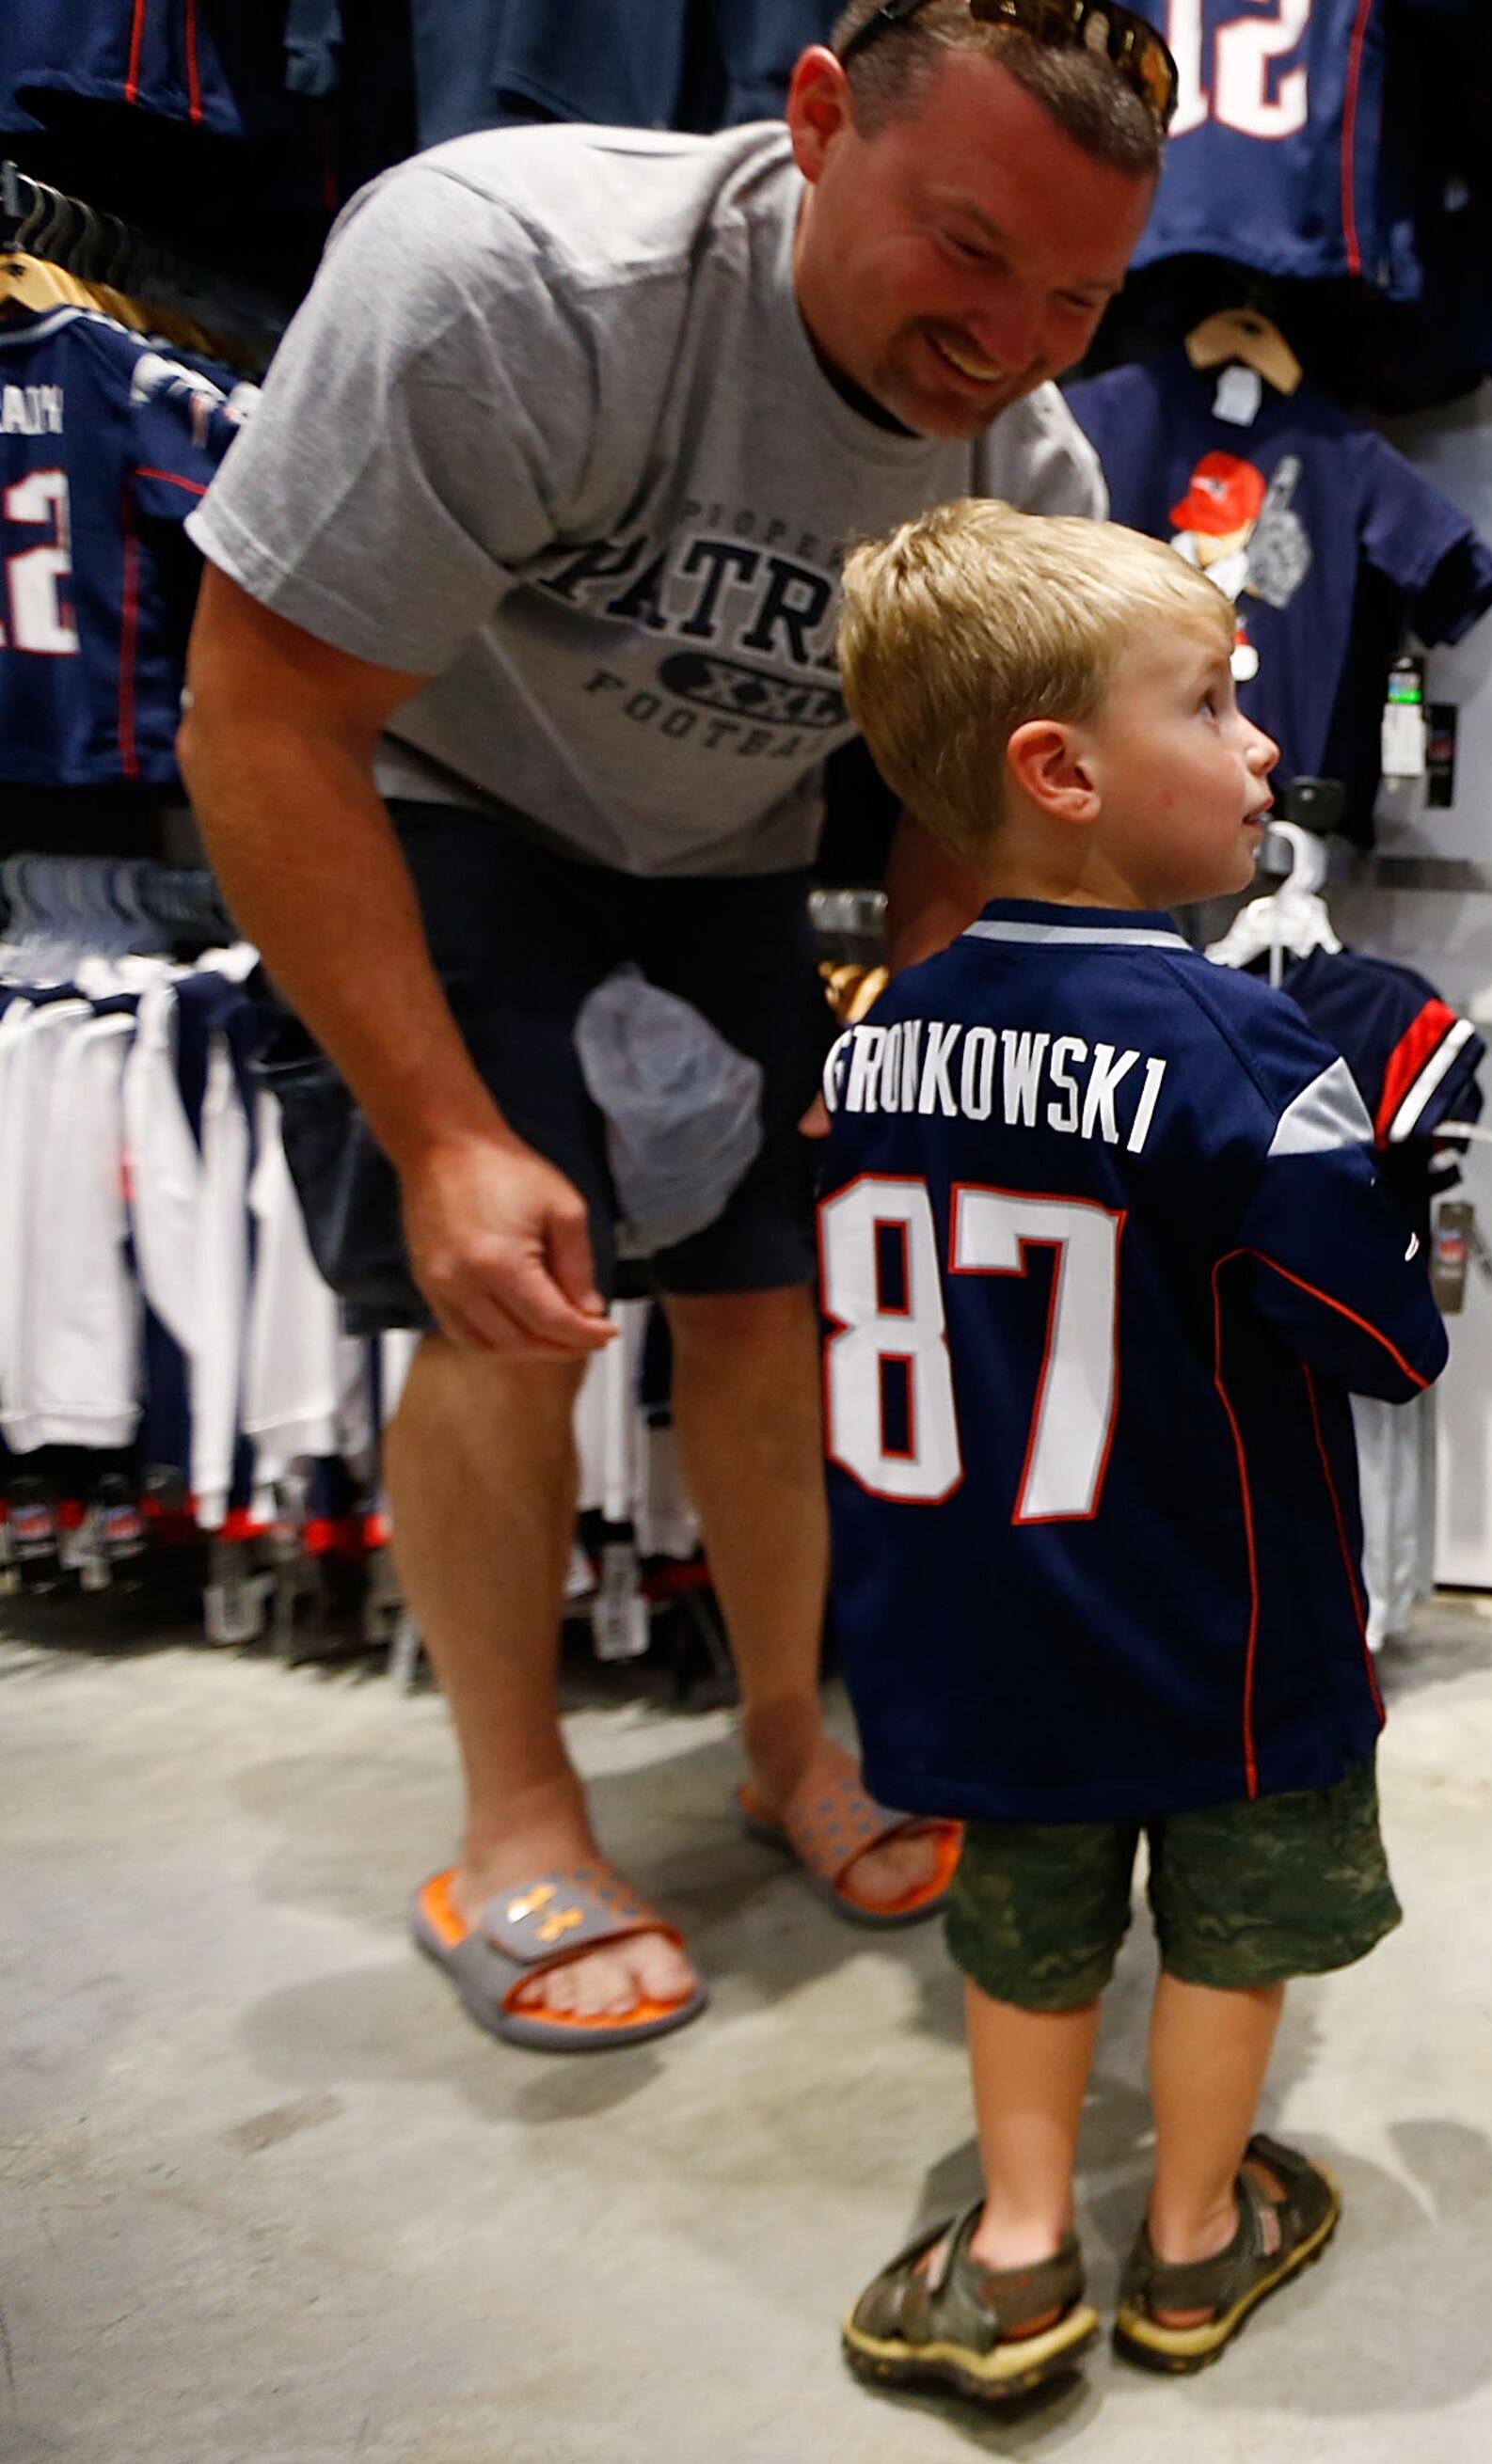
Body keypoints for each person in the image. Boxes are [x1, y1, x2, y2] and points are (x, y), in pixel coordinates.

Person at [171, 1, 1175, 2049]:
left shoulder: (1026, 457)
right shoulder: (507, 277)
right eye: (970, 252)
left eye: (1077, 292)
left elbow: (958, 805)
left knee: (785, 1292)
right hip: (435, 800)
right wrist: (447, 1128)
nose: (1010, 336)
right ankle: (517, 1812)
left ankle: (795, 1738)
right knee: (508, 1295)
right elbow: (261, 715)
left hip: (724, 850)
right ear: (817, 118)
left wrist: (924, 1039)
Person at [817, 500, 1447, 2401]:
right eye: (1213, 703)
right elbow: (1376, 1339)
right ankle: (1187, 2236)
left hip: (976, 1631)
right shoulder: (1245, 1050)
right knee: (1226, 1936)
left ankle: (1013, 2250)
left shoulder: (867, 1043)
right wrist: (1381, 1166)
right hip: (1214, 1626)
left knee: (1021, 1932)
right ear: (1061, 770)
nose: (1262, 746)